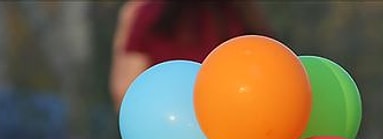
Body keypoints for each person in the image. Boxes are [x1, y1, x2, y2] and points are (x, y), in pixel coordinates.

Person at [110, 0, 270, 110]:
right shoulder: (241, 13)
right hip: (237, 135)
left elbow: (125, 91)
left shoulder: (147, 13)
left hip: (171, 135)